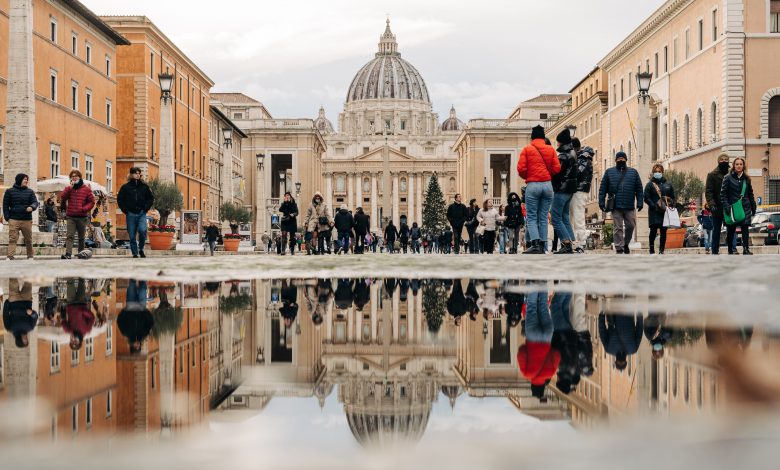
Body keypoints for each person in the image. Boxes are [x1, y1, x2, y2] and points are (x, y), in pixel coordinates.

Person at [518, 125, 561, 254]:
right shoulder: (551, 149)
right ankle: (543, 245)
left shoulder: (527, 149)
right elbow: (557, 168)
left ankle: (535, 244)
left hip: (533, 185)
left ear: (532, 137)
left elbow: (521, 169)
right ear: (543, 136)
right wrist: (547, 174)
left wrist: (528, 175)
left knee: (531, 216)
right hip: (548, 185)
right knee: (543, 216)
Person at [517, 287, 559, 402]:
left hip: (546, 338)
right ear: (532, 386)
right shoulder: (527, 373)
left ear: (543, 387)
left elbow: (556, 355)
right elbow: (521, 353)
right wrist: (526, 348)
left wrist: (548, 350)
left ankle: (543, 281)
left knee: (543, 307)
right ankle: (533, 282)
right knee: (531, 306)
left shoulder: (550, 373)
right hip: (532, 338)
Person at [598, 151, 644, 254]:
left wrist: (640, 202)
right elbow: (602, 189)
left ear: (626, 160)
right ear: (616, 160)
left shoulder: (633, 172)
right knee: (617, 227)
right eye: (619, 159)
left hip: (629, 205)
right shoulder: (609, 172)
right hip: (616, 205)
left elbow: (639, 189)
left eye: (623, 159)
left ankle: (626, 243)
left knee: (631, 225)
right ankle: (619, 248)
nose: (621, 160)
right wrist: (601, 202)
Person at [721, 157, 757, 255]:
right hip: (732, 208)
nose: (739, 166)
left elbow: (750, 194)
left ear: (743, 166)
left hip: (745, 207)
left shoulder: (747, 179)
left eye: (741, 164)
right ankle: (730, 249)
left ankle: (746, 249)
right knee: (731, 230)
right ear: (734, 166)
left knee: (745, 228)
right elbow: (723, 194)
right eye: (737, 164)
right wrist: (727, 206)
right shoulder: (727, 178)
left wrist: (753, 208)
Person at [550, 128, 578, 254]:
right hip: (570, 189)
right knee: (565, 217)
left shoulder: (563, 156)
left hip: (561, 188)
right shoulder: (573, 153)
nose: (557, 144)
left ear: (561, 143)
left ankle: (566, 243)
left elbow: (557, 173)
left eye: (558, 142)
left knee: (556, 217)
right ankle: (572, 242)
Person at [117, 167, 155, 259]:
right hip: (130, 214)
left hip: (141, 213)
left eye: (139, 173)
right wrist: (126, 211)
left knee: (142, 231)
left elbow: (151, 198)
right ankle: (134, 253)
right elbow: (120, 200)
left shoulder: (145, 187)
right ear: (131, 174)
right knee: (132, 235)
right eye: (135, 173)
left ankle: (141, 249)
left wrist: (145, 209)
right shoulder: (125, 187)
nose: (137, 174)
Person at [3, 173, 39, 260]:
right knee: (12, 239)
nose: (26, 181)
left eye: (27, 179)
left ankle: (30, 256)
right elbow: (5, 205)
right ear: (19, 180)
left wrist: (32, 207)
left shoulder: (30, 192)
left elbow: (35, 202)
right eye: (24, 179)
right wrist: (7, 218)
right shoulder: (9, 191)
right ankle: (10, 256)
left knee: (28, 239)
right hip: (13, 219)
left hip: (26, 219)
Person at [643, 163, 676, 254]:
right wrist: (652, 205)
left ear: (662, 172)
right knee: (653, 230)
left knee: (663, 231)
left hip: (664, 211)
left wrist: (672, 203)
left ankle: (661, 250)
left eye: (659, 171)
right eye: (656, 171)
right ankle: (651, 249)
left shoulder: (668, 184)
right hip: (654, 211)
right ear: (653, 173)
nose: (658, 173)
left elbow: (673, 196)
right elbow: (646, 197)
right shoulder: (650, 185)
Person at [117, 280, 153, 354]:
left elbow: (120, 320)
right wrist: (145, 311)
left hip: (131, 304)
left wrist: (125, 310)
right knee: (143, 288)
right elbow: (150, 322)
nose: (137, 345)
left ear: (131, 346)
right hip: (141, 305)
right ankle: (143, 273)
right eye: (139, 347)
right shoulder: (144, 333)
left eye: (135, 347)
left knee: (131, 285)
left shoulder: (126, 333)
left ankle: (133, 270)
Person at [705, 153, 731, 255]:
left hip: (729, 206)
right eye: (721, 159)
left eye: (726, 159)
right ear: (718, 161)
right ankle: (715, 250)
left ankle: (732, 249)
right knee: (716, 230)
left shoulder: (731, 174)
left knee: (731, 230)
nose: (724, 161)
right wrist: (712, 205)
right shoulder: (712, 175)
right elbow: (709, 192)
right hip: (717, 207)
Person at [571, 142, 594, 252]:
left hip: (579, 191)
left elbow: (578, 172)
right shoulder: (585, 160)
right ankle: (576, 241)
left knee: (578, 217)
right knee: (576, 216)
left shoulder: (584, 159)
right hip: (580, 191)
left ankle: (580, 242)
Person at [2, 278, 38, 348]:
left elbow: (5, 315)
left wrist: (7, 302)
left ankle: (13, 267)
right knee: (29, 281)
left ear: (19, 340)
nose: (26, 339)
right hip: (27, 300)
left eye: (24, 341)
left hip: (14, 300)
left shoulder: (9, 328)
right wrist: (32, 313)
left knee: (13, 281)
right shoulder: (30, 327)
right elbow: (35, 317)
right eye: (27, 340)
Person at [63, 278, 96, 351]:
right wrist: (83, 312)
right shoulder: (87, 330)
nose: (73, 340)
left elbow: (63, 321)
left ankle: (69, 268)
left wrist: (68, 331)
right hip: (81, 303)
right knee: (81, 282)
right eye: (76, 342)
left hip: (71, 303)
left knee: (70, 283)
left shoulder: (69, 330)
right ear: (80, 341)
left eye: (72, 342)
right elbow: (92, 318)